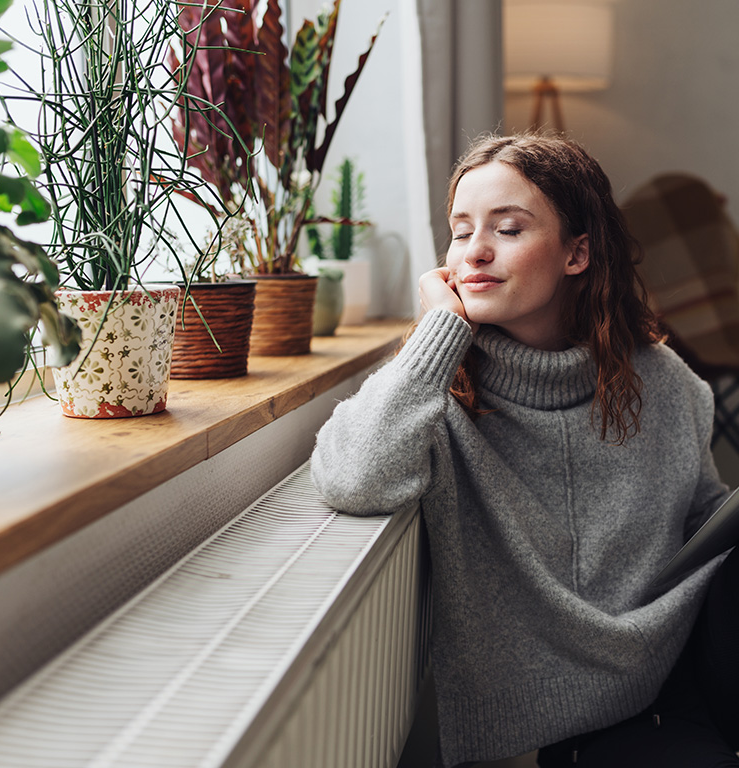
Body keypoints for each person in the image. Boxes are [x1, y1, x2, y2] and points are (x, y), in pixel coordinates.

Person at [310, 134, 739, 767]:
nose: (475, 251)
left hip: (673, 681)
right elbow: (352, 479)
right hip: (549, 736)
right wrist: (440, 331)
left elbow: (705, 527)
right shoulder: (434, 391)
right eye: (460, 232)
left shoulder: (663, 381)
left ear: (577, 252)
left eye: (507, 229)